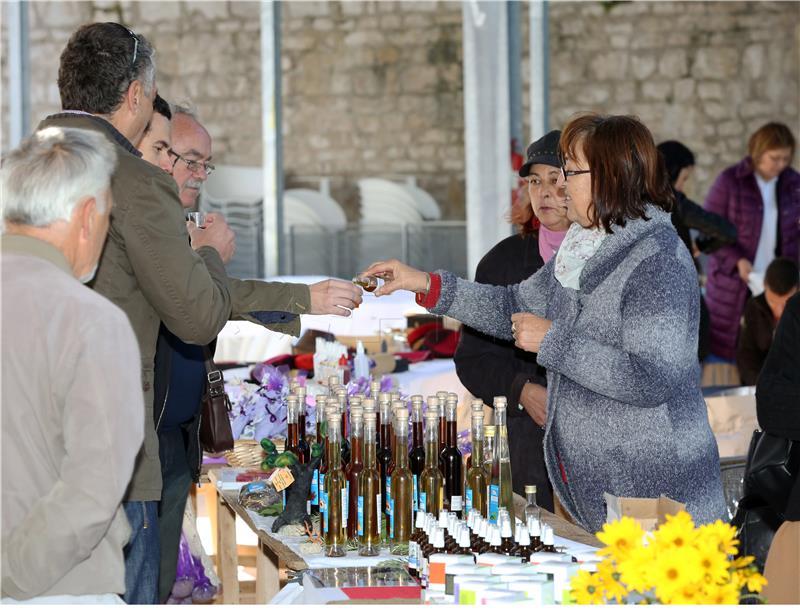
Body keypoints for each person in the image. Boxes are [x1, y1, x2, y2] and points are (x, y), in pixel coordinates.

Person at [44, 23, 362, 603]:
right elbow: (196, 310)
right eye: (171, 153)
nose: (186, 171)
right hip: (120, 441)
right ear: (137, 99)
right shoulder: (133, 185)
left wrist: (293, 298)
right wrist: (215, 257)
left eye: (196, 162)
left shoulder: (31, 167)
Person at [362, 113, 726, 532]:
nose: (560, 186)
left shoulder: (656, 259)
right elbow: (511, 305)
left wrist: (553, 341)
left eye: (570, 172)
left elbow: (649, 378)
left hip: (656, 492)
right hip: (595, 489)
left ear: (609, 176)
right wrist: (423, 283)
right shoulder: (585, 245)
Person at [1, 127, 143, 603]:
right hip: (57, 591)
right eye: (108, 214)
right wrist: (11, 575)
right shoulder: (90, 321)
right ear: (87, 216)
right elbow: (91, 489)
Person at [453, 130, 569, 508]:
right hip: (525, 447)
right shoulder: (502, 261)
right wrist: (522, 389)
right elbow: (473, 359)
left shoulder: (610, 256)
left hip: (599, 449)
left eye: (556, 179)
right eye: (535, 181)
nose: (544, 192)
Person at [704, 122, 800, 367]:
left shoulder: (793, 184)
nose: (780, 165)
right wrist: (737, 260)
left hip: (777, 283)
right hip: (735, 282)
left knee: (777, 351)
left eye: (786, 159)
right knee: (732, 351)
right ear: (758, 153)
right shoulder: (729, 181)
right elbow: (708, 231)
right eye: (774, 158)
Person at [657, 140, 738, 361]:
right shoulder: (675, 201)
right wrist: (701, 246)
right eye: (683, 179)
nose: (683, 186)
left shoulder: (635, 204)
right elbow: (727, 231)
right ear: (672, 173)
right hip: (684, 301)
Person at [737, 257, 799, 385]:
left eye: (787, 303)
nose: (779, 311)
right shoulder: (754, 307)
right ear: (764, 286)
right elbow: (746, 356)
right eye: (773, 302)